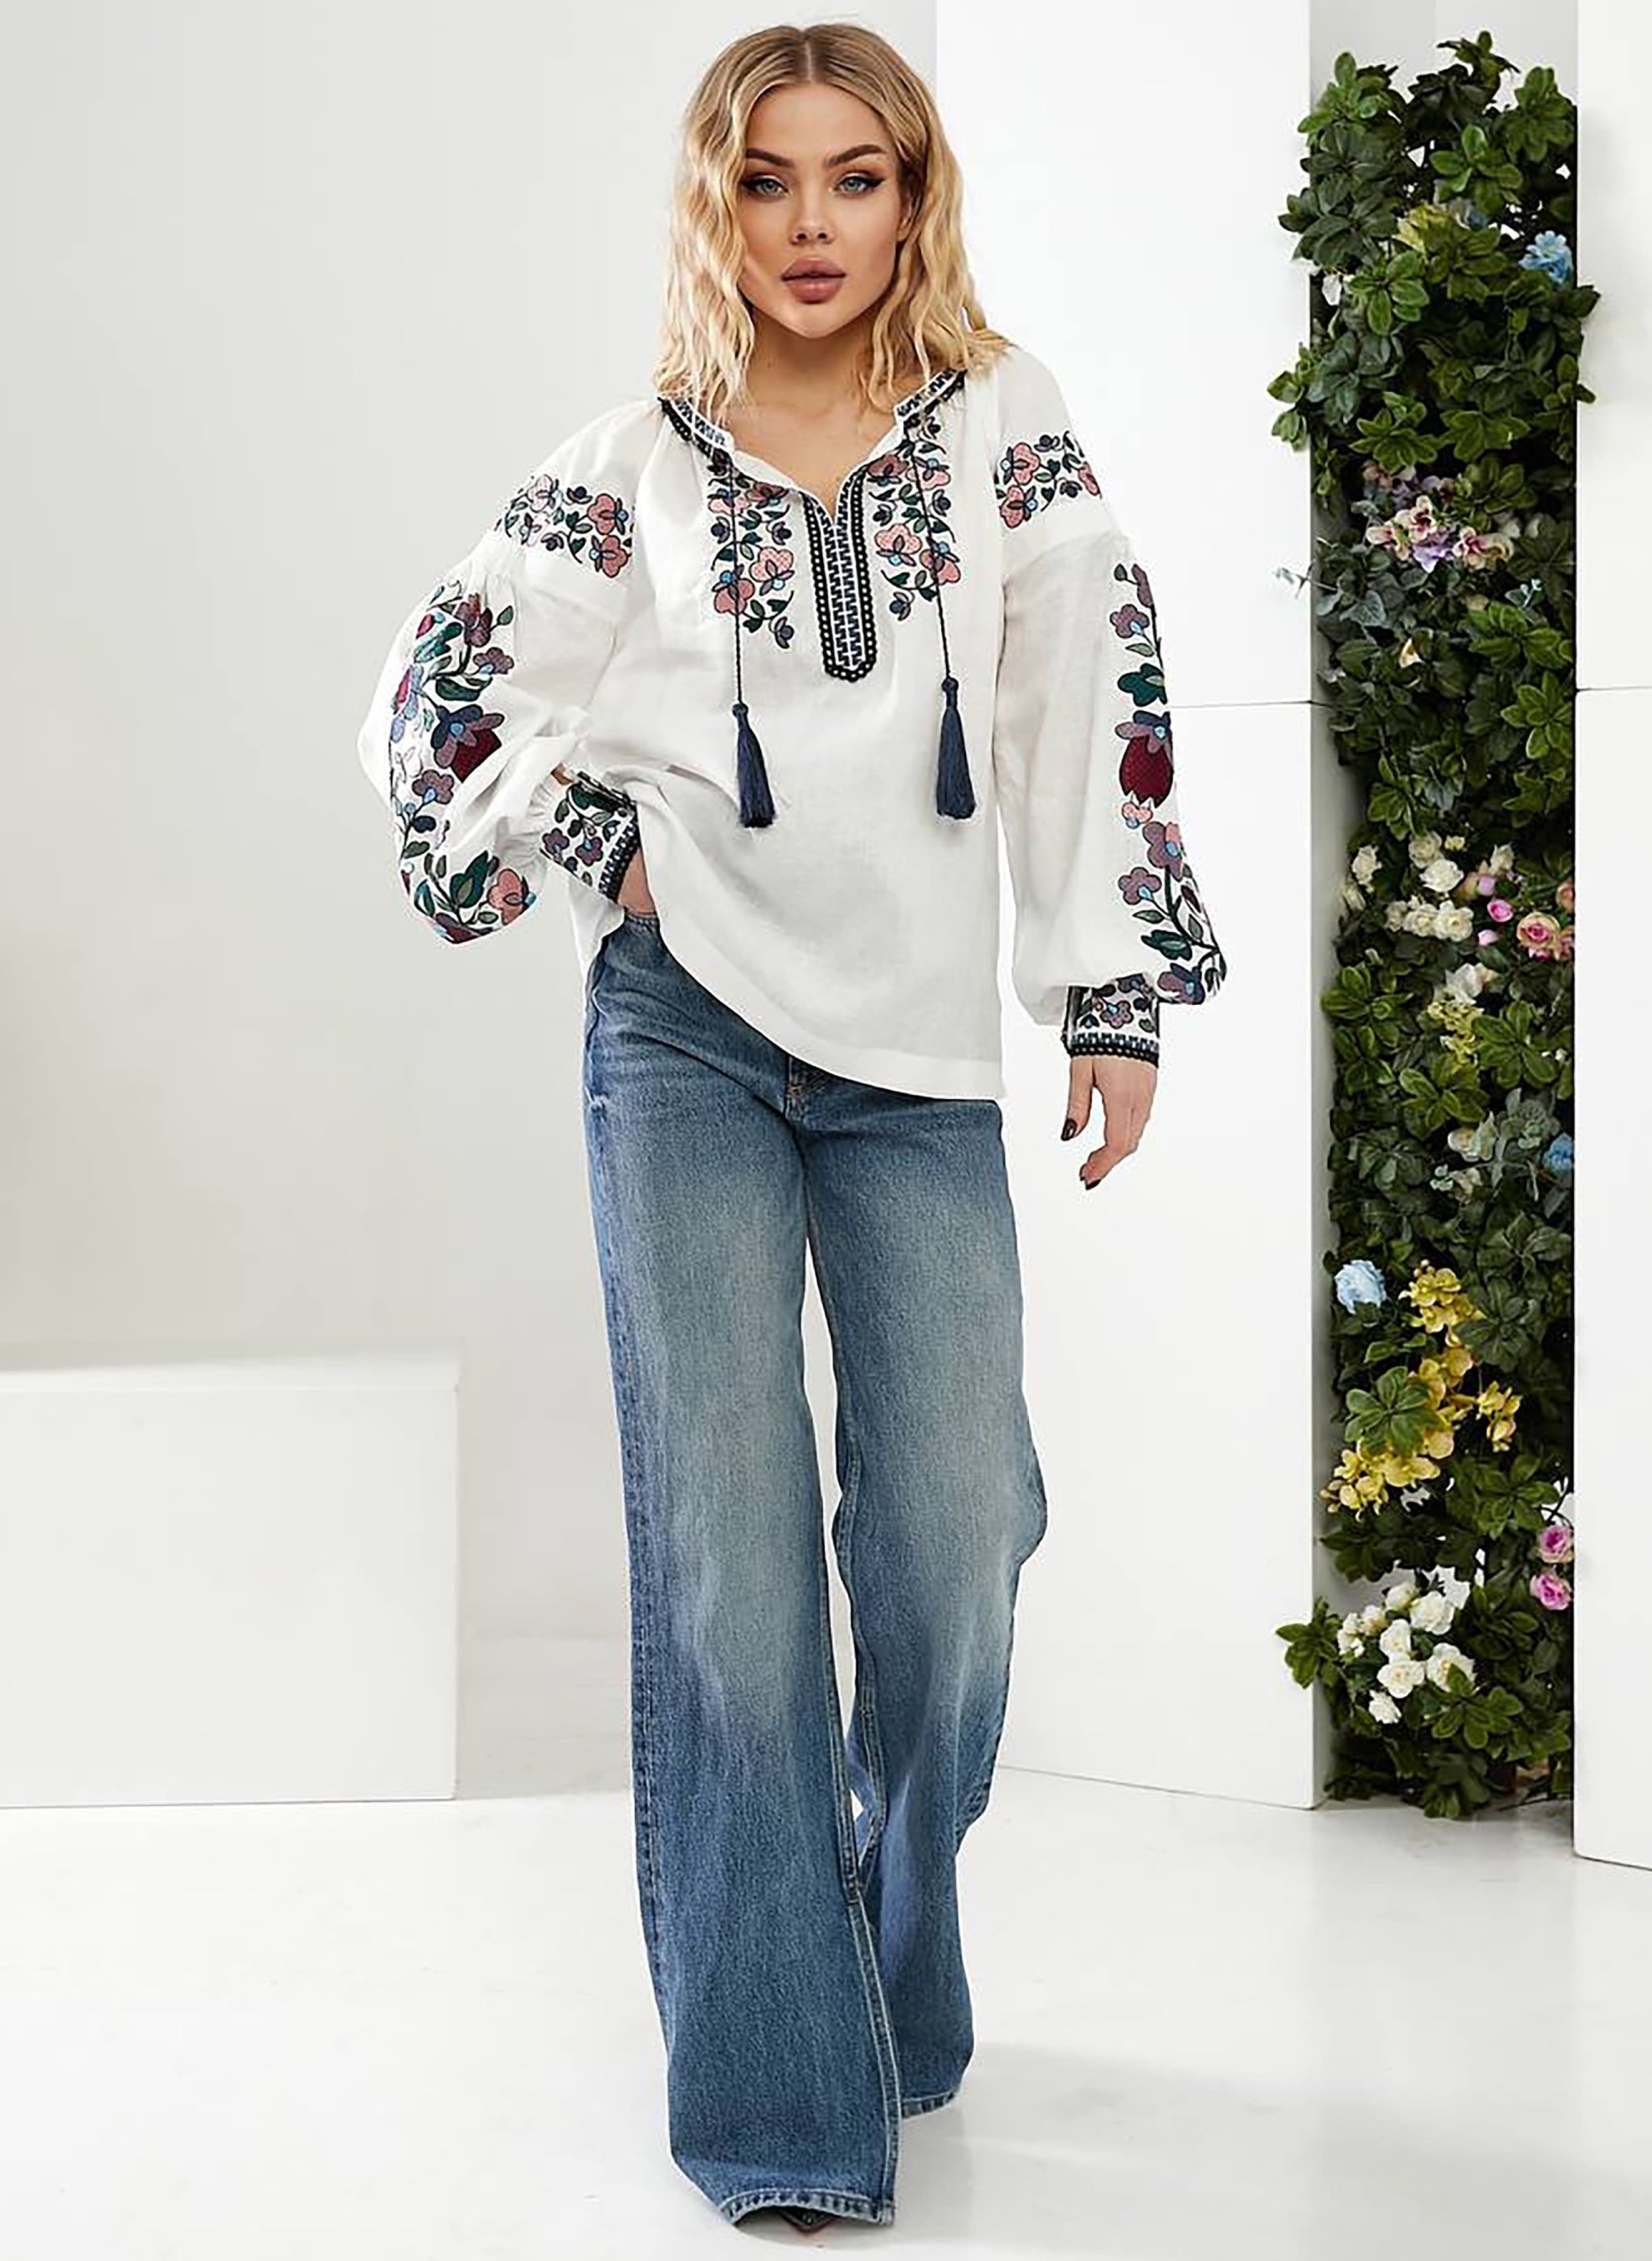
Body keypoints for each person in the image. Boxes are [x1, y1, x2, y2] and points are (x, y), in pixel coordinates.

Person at [356, 19, 1228, 2235]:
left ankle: (884, 1923)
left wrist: (1107, 989)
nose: (812, 224)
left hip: (911, 1067)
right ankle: (773, 2104)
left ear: (914, 198)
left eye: (856, 177)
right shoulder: (632, 462)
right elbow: (439, 692)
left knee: (955, 1549)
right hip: (684, 1046)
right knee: (734, 1578)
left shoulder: (1005, 431)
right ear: (711, 206)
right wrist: (592, 840)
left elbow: (1087, 686)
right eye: (765, 180)